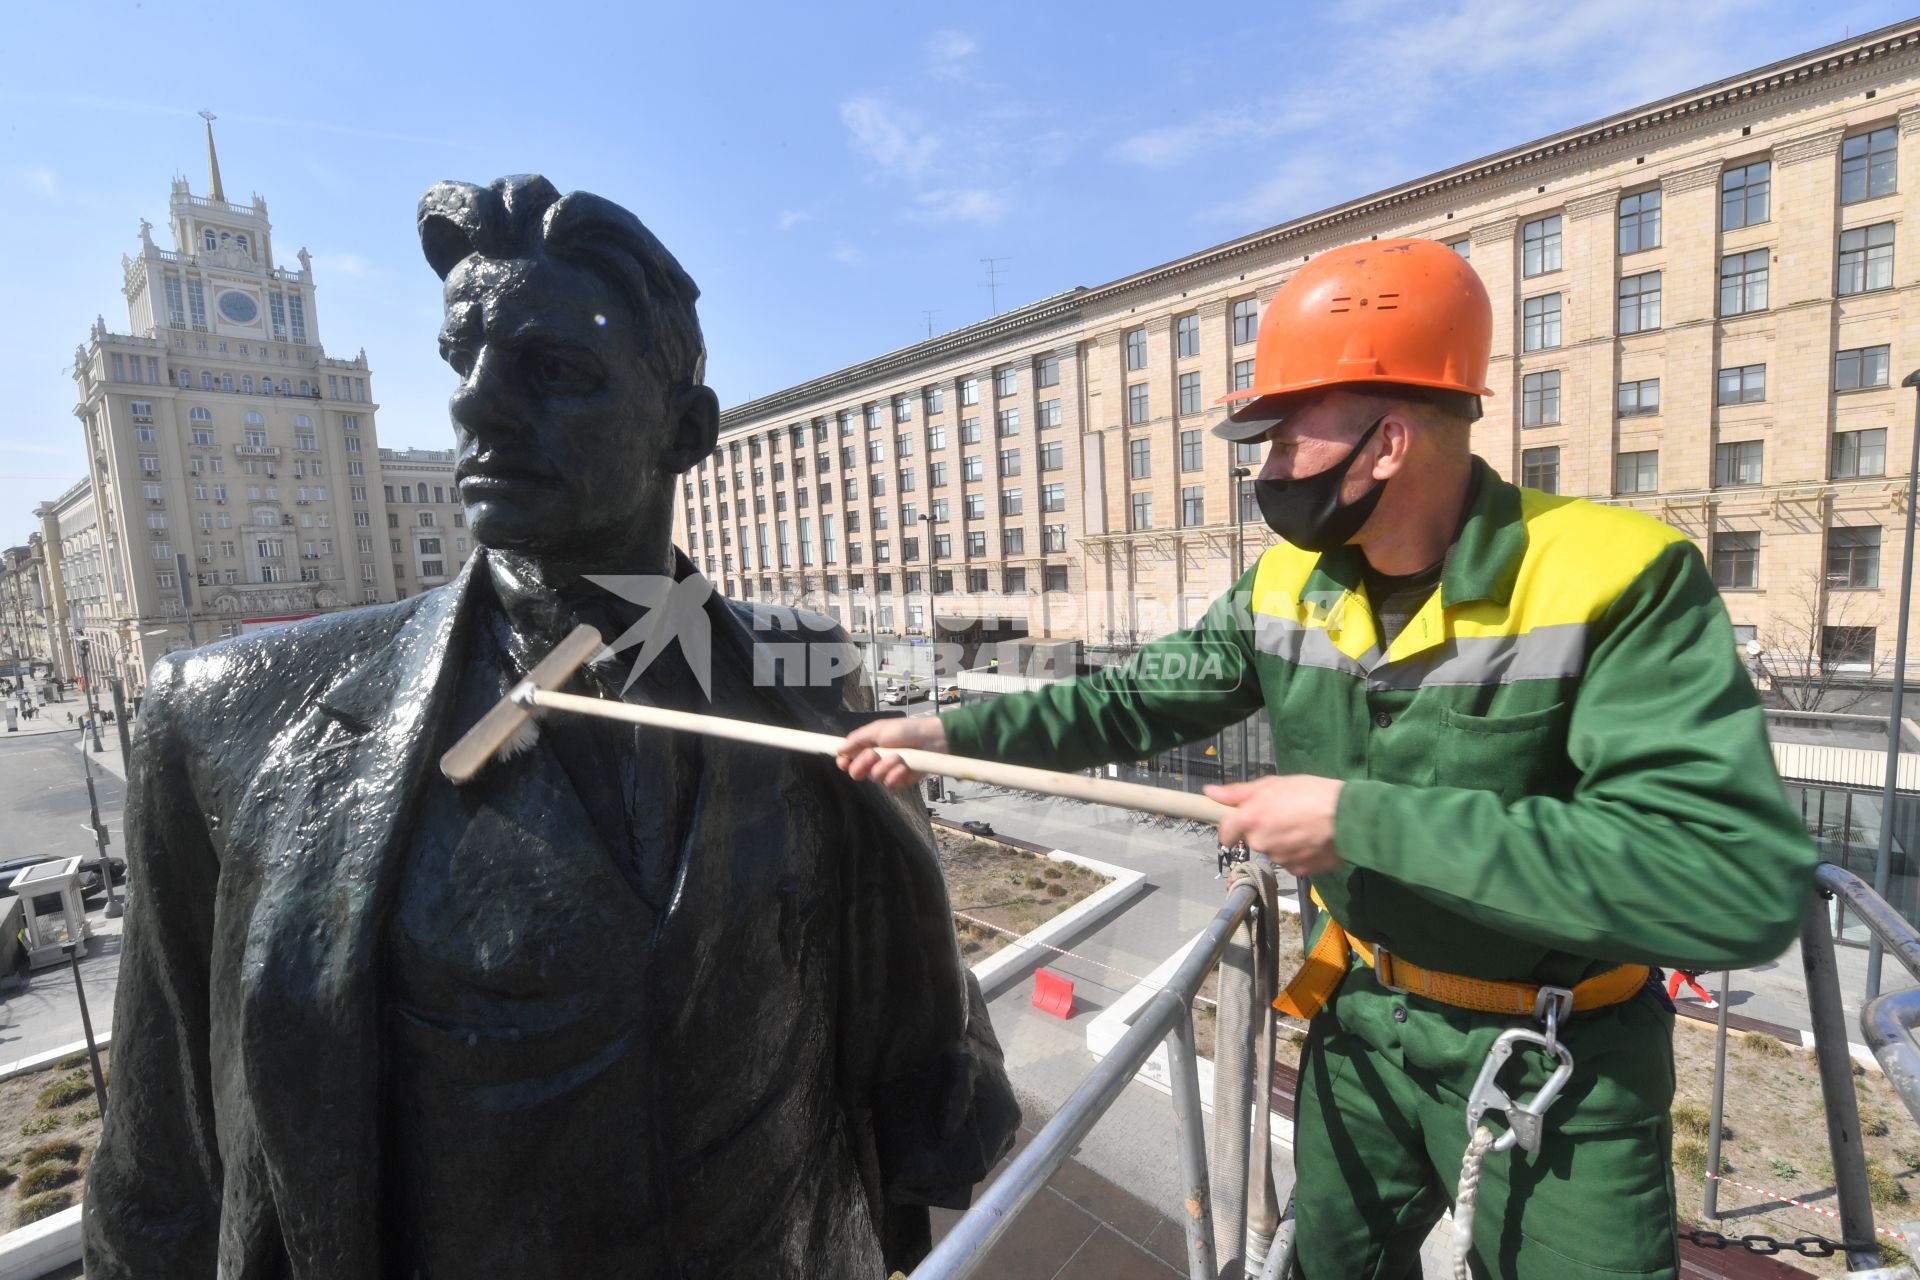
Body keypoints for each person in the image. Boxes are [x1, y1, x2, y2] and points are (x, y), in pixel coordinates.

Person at [85, 174, 1016, 1280]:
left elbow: (903, 990)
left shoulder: (802, 671)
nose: (477, 405)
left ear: (686, 431)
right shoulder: (226, 720)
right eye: (462, 360)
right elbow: (160, 1187)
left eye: (555, 370)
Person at [841, 238, 1818, 1279]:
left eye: (1282, 438)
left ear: (1388, 440)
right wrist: (950, 734)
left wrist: (1361, 819)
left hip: (1561, 1062)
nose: (1265, 474)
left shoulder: (1616, 575)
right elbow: (1136, 695)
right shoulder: (1289, 583)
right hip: (1360, 1026)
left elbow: (1728, 878)